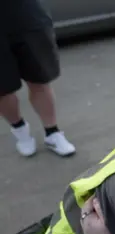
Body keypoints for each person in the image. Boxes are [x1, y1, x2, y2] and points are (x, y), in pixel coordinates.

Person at [1, 0, 76, 157]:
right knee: (3, 89)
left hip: (26, 14)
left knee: (39, 78)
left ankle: (52, 133)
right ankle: (20, 129)